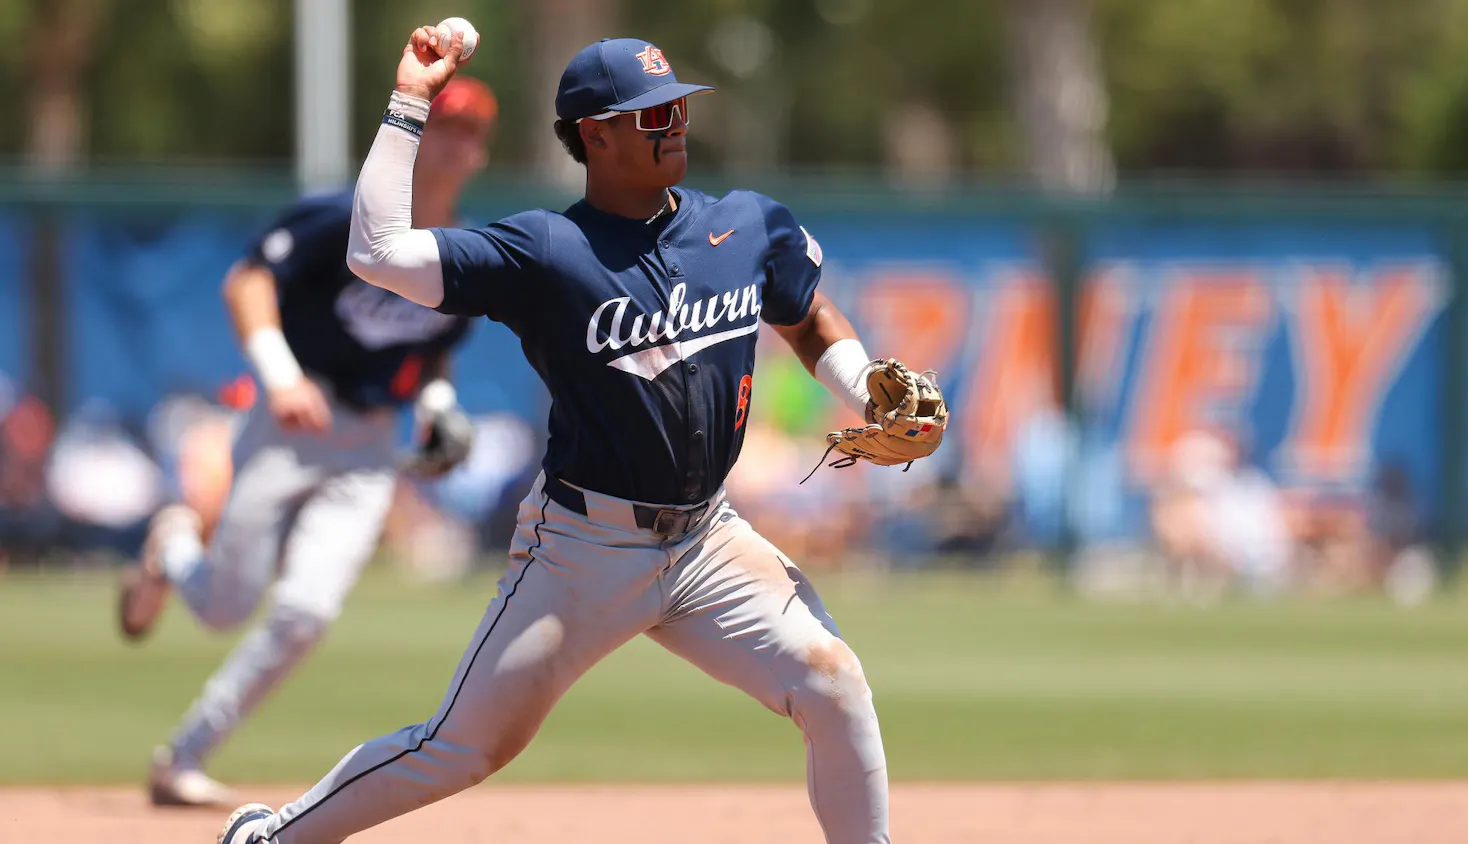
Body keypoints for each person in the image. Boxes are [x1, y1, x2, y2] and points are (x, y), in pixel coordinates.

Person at [216, 29, 948, 844]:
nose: (674, 123)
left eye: (677, 107)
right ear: (594, 133)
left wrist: (862, 387)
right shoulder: (547, 251)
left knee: (833, 681)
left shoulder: (743, 226)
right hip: (581, 550)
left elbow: (804, 310)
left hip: (708, 539)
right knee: (460, 749)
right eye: (650, 114)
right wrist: (411, 102)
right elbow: (377, 251)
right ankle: (275, 835)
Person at [117, 77, 500, 808]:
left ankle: (182, 758)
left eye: (472, 131)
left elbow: (434, 346)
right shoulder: (344, 215)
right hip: (293, 419)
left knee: (306, 614)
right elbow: (247, 281)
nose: (457, 143)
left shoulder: (463, 249)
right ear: (417, 138)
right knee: (225, 606)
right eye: (445, 125)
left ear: (482, 151)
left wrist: (440, 402)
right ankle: (172, 547)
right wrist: (281, 374)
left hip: (370, 444)